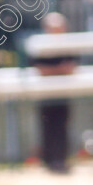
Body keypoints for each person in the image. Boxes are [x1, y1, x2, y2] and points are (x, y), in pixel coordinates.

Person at [32, 12, 77, 173]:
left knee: (62, 126)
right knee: (47, 126)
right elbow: (40, 69)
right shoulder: (41, 45)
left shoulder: (68, 45)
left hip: (63, 93)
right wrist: (59, 70)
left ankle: (61, 159)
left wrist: (55, 71)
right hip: (45, 94)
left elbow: (72, 67)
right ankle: (49, 160)